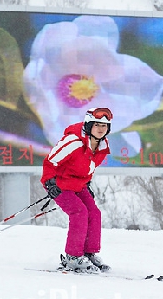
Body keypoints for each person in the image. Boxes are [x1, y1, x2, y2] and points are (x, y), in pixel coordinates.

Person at [41, 107, 113, 273]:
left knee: (94, 213)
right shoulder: (73, 142)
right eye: (97, 125)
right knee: (79, 212)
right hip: (59, 184)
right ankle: (73, 258)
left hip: (79, 185)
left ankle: (88, 254)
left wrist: (86, 183)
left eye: (105, 126)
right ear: (88, 125)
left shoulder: (102, 145)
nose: (101, 129)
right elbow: (50, 162)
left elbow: (87, 167)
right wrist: (50, 184)